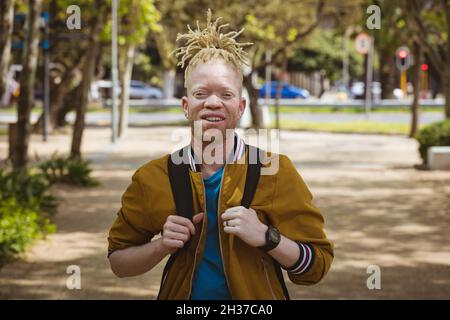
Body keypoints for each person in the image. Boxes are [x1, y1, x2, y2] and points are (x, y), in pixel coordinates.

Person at [107, 10, 333, 300]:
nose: (213, 103)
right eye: (202, 94)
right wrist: (161, 245)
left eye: (225, 95)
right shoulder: (152, 178)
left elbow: (316, 267)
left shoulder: (275, 171)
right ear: (186, 106)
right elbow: (118, 263)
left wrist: (267, 237)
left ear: (240, 107)